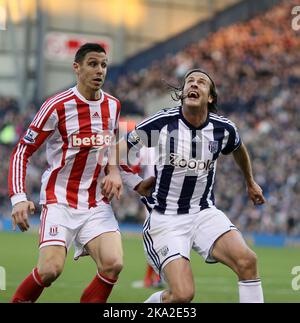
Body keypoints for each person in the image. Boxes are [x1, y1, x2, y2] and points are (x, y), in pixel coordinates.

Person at [8, 43, 152, 303]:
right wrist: (18, 197)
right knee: (50, 270)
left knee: (113, 263)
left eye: (104, 65)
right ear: (77, 67)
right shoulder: (56, 106)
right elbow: (22, 151)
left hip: (95, 202)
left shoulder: (113, 106)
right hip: (59, 199)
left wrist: (125, 177)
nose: (100, 70)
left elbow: (111, 149)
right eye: (93, 64)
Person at [126, 69, 266, 303]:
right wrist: (134, 183)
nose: (194, 84)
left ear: (210, 97)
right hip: (166, 218)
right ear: (182, 93)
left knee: (247, 260)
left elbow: (238, 149)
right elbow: (118, 150)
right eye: (189, 81)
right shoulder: (162, 123)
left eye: (201, 82)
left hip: (203, 212)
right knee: (182, 295)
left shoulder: (223, 129)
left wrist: (250, 182)